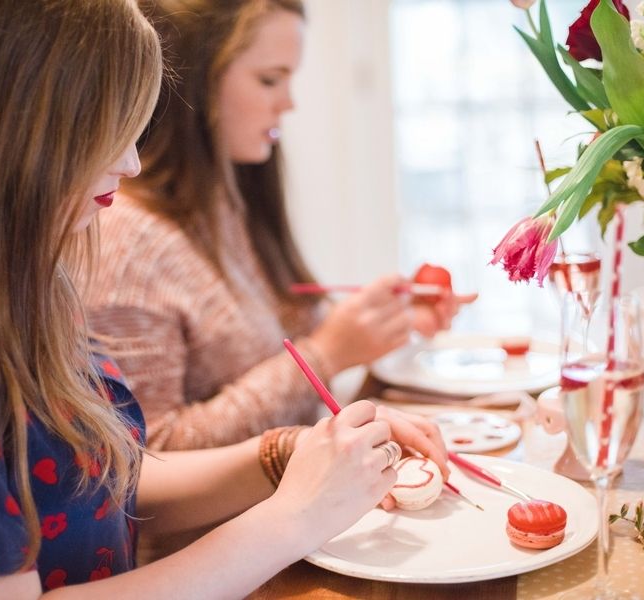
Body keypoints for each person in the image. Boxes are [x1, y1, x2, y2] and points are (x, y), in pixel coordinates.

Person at [0, 0, 449, 598]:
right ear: (21, 118)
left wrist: (292, 453)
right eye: (109, 125)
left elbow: (111, 471)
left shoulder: (25, 265)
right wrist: (293, 517)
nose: (129, 162)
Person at [84, 0, 476, 452]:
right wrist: (327, 354)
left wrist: (388, 322)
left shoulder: (229, 203)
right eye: (270, 79)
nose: (289, 103)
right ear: (194, 81)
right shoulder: (128, 242)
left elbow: (278, 341)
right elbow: (151, 457)